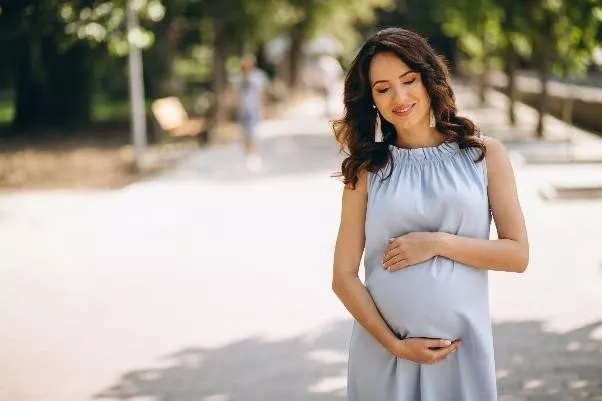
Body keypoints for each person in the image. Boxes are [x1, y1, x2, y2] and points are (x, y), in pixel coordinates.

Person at [331, 28, 529, 400]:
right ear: (371, 99)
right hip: (383, 355)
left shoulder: (484, 155)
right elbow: (343, 277)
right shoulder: (365, 170)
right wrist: (395, 345)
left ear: (428, 79)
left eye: (409, 81)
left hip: (460, 350)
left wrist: (437, 243)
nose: (400, 97)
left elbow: (517, 255)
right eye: (383, 88)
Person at [229, 53, 269, 172]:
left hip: (255, 109)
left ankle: (254, 156)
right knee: (244, 134)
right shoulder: (238, 77)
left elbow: (263, 93)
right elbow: (232, 92)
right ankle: (247, 155)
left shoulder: (258, 76)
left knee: (254, 133)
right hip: (242, 109)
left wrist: (265, 107)